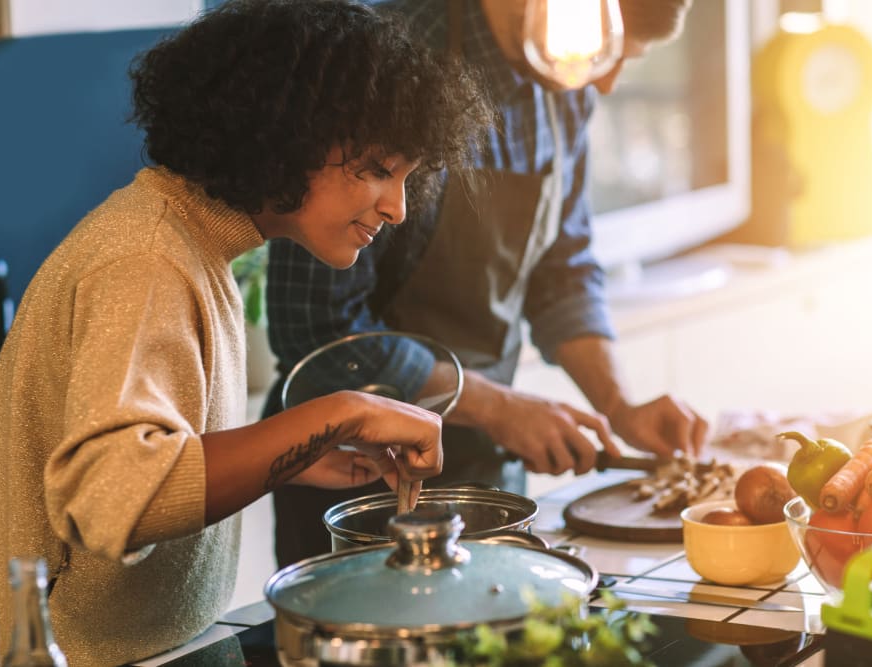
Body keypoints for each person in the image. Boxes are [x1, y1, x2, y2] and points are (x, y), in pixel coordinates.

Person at [0, 1, 491, 664]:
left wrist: (294, 453)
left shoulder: (192, 243)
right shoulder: (146, 257)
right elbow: (115, 496)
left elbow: (160, 452)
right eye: (381, 169)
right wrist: (343, 409)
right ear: (291, 132)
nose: (398, 207)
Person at [264, 0, 709, 568]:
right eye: (610, 48)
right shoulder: (381, 57)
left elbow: (562, 270)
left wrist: (620, 406)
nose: (609, 81)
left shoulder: (566, 83)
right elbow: (321, 333)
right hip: (357, 486)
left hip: (485, 474)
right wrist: (498, 408)